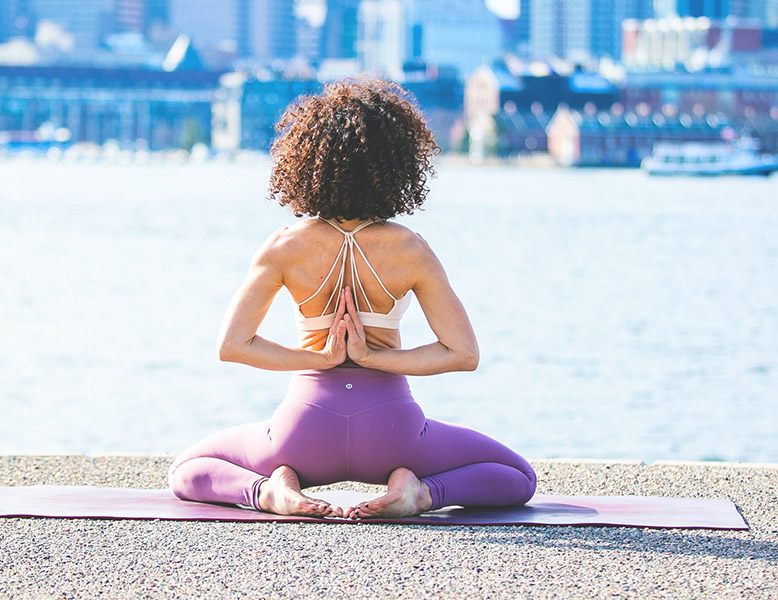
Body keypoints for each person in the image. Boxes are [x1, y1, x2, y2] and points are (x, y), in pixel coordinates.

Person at [168, 79, 536, 519]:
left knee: (186, 470)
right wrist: (373, 358)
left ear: (305, 163)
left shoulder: (284, 246)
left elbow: (232, 346)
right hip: (395, 431)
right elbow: (463, 353)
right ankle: (419, 494)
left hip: (303, 429)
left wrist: (321, 360)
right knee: (518, 475)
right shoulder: (410, 249)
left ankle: (270, 492)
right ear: (397, 165)